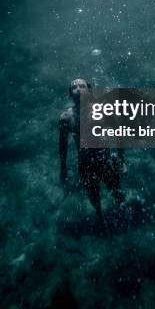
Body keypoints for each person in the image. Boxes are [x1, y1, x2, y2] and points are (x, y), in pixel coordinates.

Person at [59, 78, 127, 229]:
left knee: (116, 189)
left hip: (105, 159)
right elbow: (62, 146)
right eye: (74, 87)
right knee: (93, 195)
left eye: (81, 86)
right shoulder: (66, 118)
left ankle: (123, 210)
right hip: (85, 164)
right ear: (70, 94)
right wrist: (63, 169)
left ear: (89, 90)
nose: (77, 89)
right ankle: (101, 218)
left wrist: (122, 161)